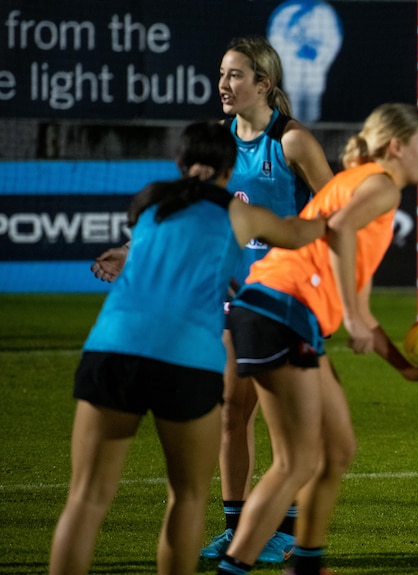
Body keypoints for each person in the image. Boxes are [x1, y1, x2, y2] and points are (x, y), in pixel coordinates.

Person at [91, 36, 334, 563]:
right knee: (232, 414)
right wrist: (130, 252)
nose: (223, 84)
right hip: (230, 300)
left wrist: (321, 277)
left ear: (264, 84)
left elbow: (334, 211)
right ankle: (240, 526)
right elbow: (190, 212)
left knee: (283, 421)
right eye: (221, 73)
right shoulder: (218, 142)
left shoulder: (291, 142)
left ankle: (284, 530)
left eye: (235, 75)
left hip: (285, 299)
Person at [49, 121, 327, 575]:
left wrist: (125, 253)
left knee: (85, 498)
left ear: (179, 162)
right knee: (187, 498)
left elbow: (154, 252)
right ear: (230, 167)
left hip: (113, 351)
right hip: (187, 360)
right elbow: (304, 233)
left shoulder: (150, 203)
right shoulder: (240, 214)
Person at [215, 103, 418, 575]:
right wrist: (349, 316)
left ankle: (306, 563)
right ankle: (235, 567)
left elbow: (361, 299)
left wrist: (404, 367)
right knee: (296, 462)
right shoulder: (382, 185)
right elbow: (339, 231)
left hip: (277, 311)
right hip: (280, 309)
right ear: (396, 146)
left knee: (338, 448)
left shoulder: (365, 187)